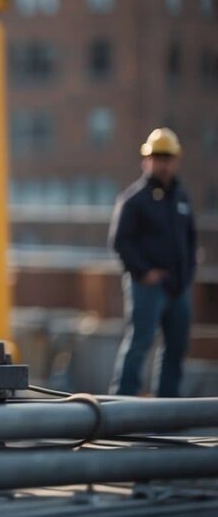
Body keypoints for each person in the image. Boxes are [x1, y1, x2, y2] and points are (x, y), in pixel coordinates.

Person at [109, 127, 197, 397]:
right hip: (147, 287)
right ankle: (122, 404)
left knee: (176, 347)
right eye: (158, 157)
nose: (163, 164)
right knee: (139, 343)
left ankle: (166, 408)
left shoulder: (180, 199)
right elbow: (120, 241)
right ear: (147, 160)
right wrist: (144, 272)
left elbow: (191, 239)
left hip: (177, 287)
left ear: (176, 160)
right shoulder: (134, 200)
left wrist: (187, 274)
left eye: (167, 157)